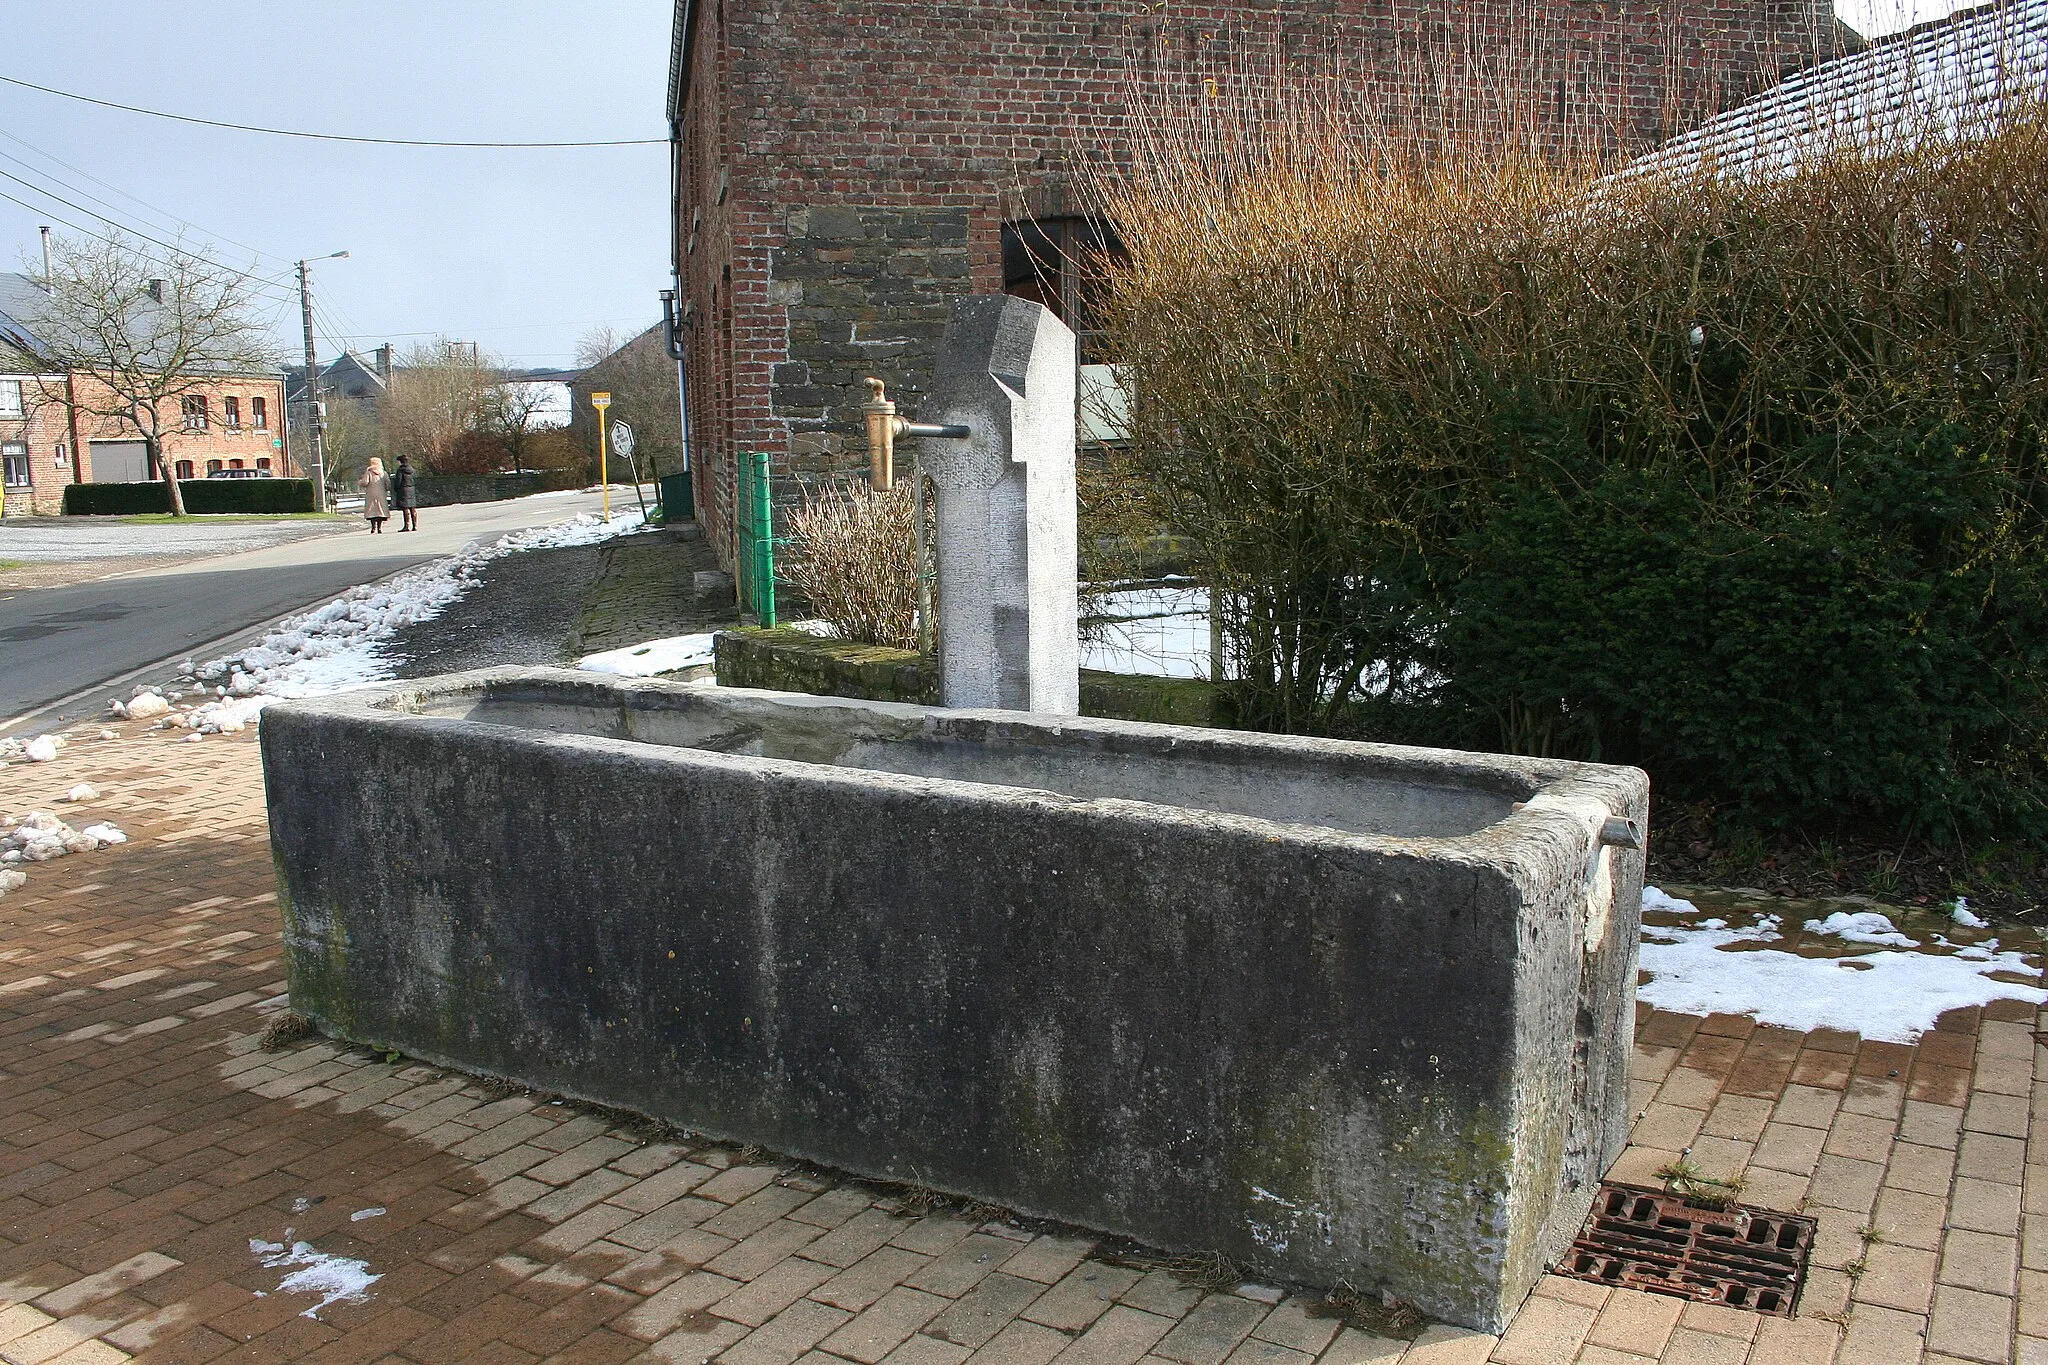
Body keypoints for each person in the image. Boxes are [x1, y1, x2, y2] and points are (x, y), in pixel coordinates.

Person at [359, 458, 390, 534]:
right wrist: (386, 489)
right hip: (381, 494)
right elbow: (388, 484)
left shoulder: (369, 472)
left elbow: (365, 482)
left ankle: (373, 528)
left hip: (371, 494)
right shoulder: (383, 473)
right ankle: (379, 528)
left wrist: (360, 482)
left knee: (372, 511)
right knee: (380, 511)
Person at [392, 453, 419, 532]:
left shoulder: (400, 470)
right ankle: (415, 525)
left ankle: (407, 525)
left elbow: (398, 481)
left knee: (405, 508)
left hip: (403, 490)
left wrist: (396, 489)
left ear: (400, 461)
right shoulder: (412, 469)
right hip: (411, 489)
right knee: (413, 508)